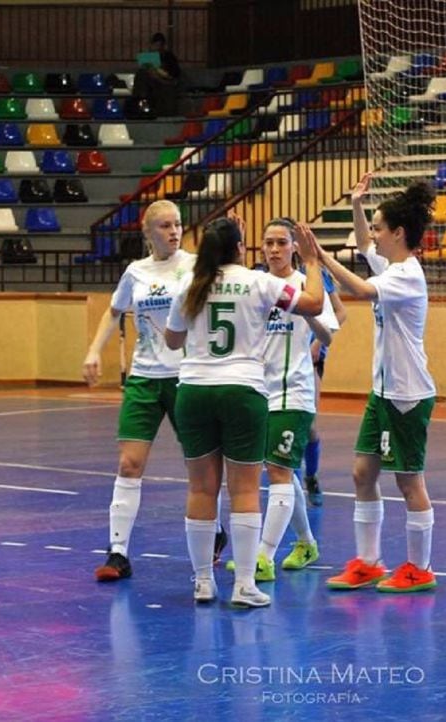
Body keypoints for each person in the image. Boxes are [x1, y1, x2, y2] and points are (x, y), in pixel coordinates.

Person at [164, 215, 325, 607]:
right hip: (243, 390)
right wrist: (313, 262)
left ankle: (203, 582)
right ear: (241, 248)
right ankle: (245, 586)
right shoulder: (259, 282)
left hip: (195, 390)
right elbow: (314, 303)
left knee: (201, 488)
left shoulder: (191, 284)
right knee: (246, 488)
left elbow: (172, 340)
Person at [312, 173, 440, 593]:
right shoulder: (394, 264)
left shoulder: (407, 276)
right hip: (382, 392)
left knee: (408, 481)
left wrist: (321, 257)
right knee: (362, 472)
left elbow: (364, 289)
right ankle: (368, 562)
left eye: (382, 227)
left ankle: (419, 569)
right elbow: (366, 246)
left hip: (407, 395)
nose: (374, 235)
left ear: (399, 233)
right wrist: (356, 203)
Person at [84, 201, 198, 582]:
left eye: (178, 225)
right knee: (129, 464)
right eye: (165, 226)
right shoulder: (136, 273)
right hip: (145, 377)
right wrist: (93, 351)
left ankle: (211, 530)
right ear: (148, 232)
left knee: (197, 464)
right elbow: (114, 312)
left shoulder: (195, 265)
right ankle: (118, 552)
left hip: (187, 376)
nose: (174, 232)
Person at [251, 218, 340, 581]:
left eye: (281, 243)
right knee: (280, 470)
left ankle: (262, 556)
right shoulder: (257, 285)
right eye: (268, 243)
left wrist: (305, 310)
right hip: (260, 391)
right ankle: (306, 542)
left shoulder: (305, 284)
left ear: (293, 248)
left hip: (295, 390)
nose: (274, 249)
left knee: (279, 471)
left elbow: (328, 336)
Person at [301, 265, 347, 507]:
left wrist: (319, 341)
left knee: (308, 424)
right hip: (276, 359)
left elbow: (340, 313)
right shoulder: (265, 275)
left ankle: (311, 475)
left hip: (310, 358)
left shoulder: (317, 275)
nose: (275, 249)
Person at [132, 32, 181, 117]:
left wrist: (159, 75)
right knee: (141, 75)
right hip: (153, 82)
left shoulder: (169, 57)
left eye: (159, 45)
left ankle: (144, 103)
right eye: (155, 45)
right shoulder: (150, 57)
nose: (157, 48)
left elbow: (174, 75)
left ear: (163, 46)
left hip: (165, 82)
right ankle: (141, 102)